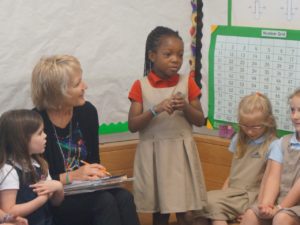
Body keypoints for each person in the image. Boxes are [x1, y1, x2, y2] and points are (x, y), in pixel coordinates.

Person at [31, 55, 140, 225]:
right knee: (105, 202)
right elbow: (36, 180)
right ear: (58, 92)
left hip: (88, 190)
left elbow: (94, 161)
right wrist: (72, 176)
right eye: (77, 84)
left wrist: (101, 176)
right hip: (56, 197)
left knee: (124, 196)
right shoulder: (36, 121)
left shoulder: (87, 112)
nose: (85, 86)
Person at [128, 26, 207, 225]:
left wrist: (186, 107)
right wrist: (155, 109)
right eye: (168, 54)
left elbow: (200, 120)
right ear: (152, 56)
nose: (175, 59)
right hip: (155, 155)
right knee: (160, 212)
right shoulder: (141, 85)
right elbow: (132, 124)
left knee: (185, 211)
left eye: (180, 55)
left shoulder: (187, 82)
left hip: (181, 153)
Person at [194, 93, 277, 225]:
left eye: (255, 127)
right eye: (245, 126)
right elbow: (232, 174)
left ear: (269, 122)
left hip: (251, 196)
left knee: (210, 204)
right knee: (203, 203)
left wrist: (253, 209)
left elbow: (269, 183)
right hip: (232, 194)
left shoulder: (273, 145)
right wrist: (222, 196)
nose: (249, 131)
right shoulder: (238, 139)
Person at [240, 88, 300, 225]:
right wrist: (266, 205)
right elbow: (273, 177)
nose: (295, 116)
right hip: (280, 204)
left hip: (292, 207)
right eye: (292, 110)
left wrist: (279, 208)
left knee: (281, 218)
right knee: (251, 214)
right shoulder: (281, 143)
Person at [0, 109, 64, 225]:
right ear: (22, 139)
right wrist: (41, 199)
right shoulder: (8, 170)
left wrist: (58, 188)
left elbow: (55, 203)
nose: (45, 136)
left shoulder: (40, 163)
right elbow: (8, 210)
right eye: (40, 133)